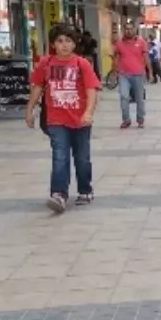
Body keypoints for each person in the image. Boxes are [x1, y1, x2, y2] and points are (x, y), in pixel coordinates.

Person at [25, 23, 101, 213]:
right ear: (53, 44)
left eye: (68, 41)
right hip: (56, 119)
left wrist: (88, 112)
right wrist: (29, 109)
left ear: (75, 44)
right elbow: (37, 87)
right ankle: (58, 193)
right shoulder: (45, 63)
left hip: (80, 119)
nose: (64, 45)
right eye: (60, 41)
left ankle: (85, 189)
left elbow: (92, 90)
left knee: (82, 158)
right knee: (60, 156)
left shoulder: (81, 64)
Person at [114, 23, 150, 128]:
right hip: (124, 75)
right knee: (124, 96)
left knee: (139, 98)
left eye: (130, 29)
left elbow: (146, 58)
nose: (128, 31)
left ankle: (140, 120)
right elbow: (116, 57)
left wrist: (150, 72)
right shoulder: (119, 43)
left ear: (134, 30)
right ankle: (126, 120)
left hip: (138, 74)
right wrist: (115, 70)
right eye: (126, 29)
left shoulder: (141, 42)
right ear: (124, 30)